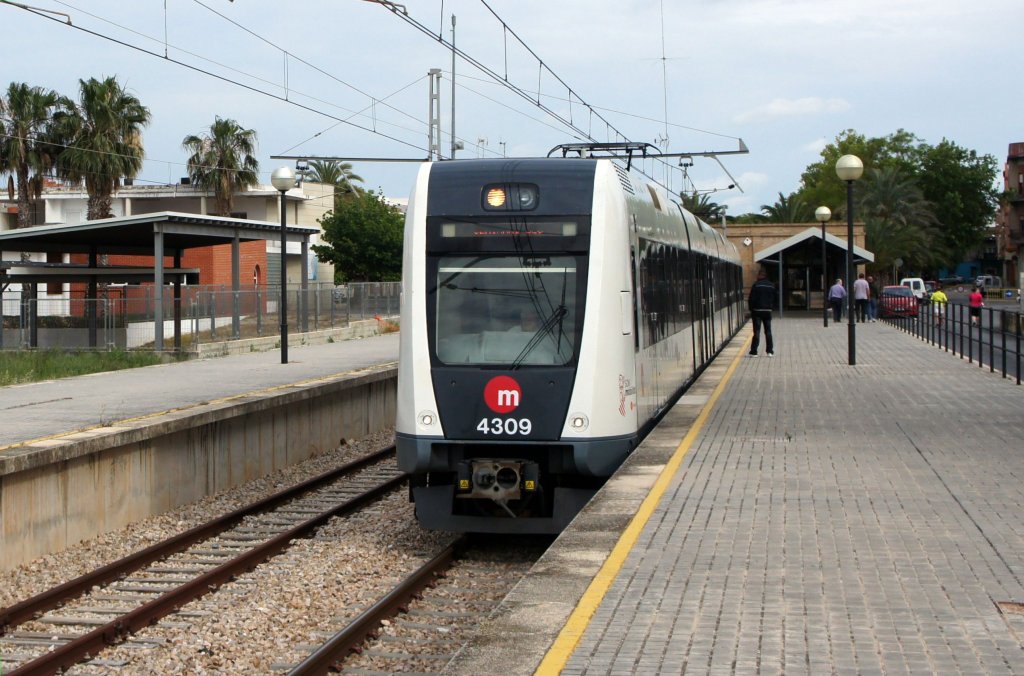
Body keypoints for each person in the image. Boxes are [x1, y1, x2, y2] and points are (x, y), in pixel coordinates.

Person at [747, 269, 777, 357]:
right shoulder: (771, 285)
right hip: (767, 311)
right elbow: (775, 298)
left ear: (759, 276)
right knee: (768, 331)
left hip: (757, 311)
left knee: (756, 331)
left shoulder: (756, 285)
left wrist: (751, 309)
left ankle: (754, 351)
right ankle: (770, 351)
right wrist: (771, 307)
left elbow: (751, 299)